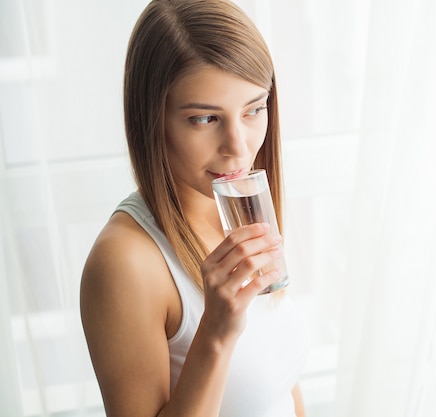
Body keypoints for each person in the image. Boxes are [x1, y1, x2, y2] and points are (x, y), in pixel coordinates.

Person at [79, 1, 309, 416]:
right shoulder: (125, 263)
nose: (238, 147)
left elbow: (283, 387)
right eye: (205, 119)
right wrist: (216, 335)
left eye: (254, 109)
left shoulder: (238, 212)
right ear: (152, 119)